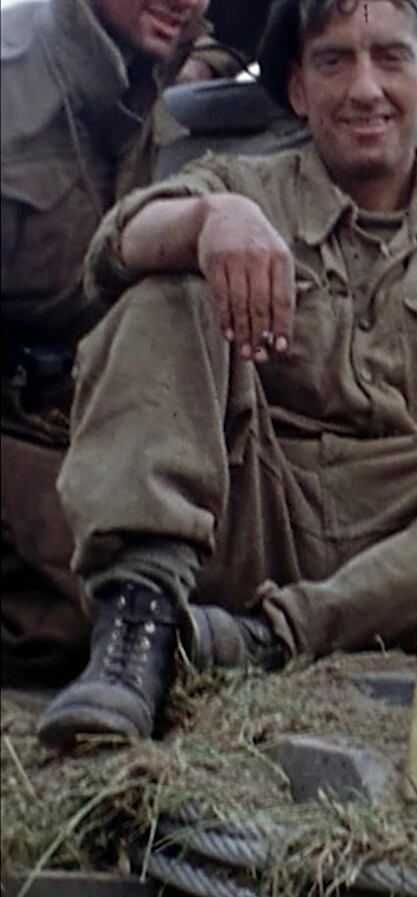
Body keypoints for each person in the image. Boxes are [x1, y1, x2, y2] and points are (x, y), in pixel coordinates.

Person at [35, 0, 417, 748]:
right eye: (333, 61)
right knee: (164, 291)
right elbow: (114, 248)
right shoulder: (240, 186)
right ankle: (137, 632)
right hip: (252, 512)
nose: (363, 88)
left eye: (389, 58)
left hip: (405, 552)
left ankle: (268, 638)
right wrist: (210, 221)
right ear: (296, 89)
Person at [1, 0, 218, 685]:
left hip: (102, 416)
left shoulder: (162, 46)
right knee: (75, 623)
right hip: (19, 414)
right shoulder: (12, 84)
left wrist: (207, 61)